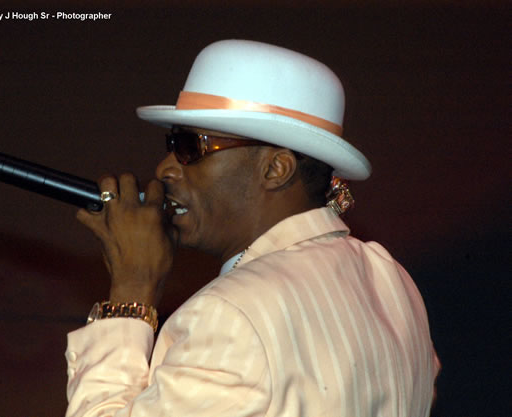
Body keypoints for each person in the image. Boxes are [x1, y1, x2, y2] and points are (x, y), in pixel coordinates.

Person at [64, 39, 440, 417]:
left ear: (276, 169)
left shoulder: (228, 314)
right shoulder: (392, 283)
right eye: (171, 143)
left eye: (190, 147)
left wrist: (131, 292)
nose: (166, 169)